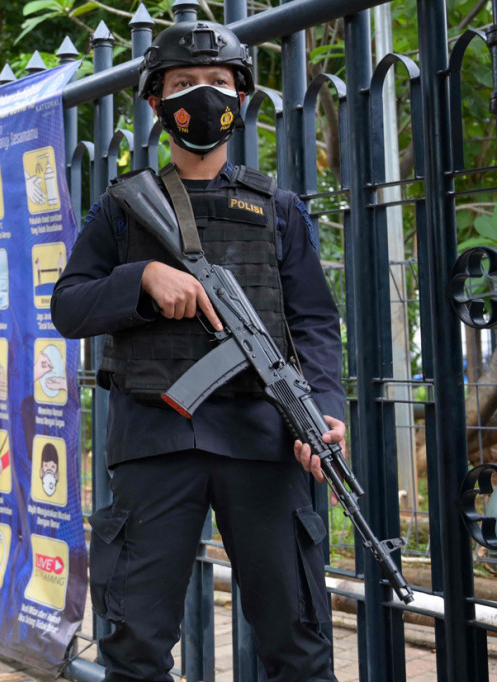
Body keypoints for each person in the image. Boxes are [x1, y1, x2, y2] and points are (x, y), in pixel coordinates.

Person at [50, 21, 346, 682]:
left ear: (240, 100)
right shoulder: (122, 211)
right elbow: (68, 305)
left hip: (265, 445)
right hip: (155, 443)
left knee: (299, 648)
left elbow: (317, 324)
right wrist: (142, 281)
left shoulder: (281, 210)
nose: (204, 95)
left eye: (218, 83)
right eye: (184, 84)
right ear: (156, 103)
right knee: (134, 649)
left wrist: (325, 409)